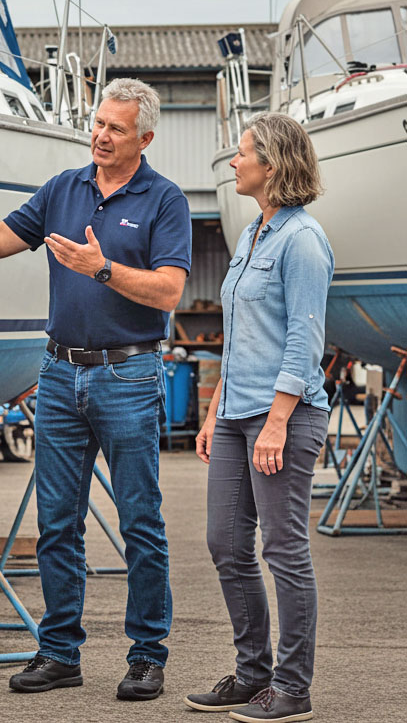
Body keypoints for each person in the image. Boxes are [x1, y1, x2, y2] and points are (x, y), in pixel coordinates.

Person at [0, 77, 190, 700]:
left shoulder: (165, 199)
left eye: (116, 129)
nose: (101, 136)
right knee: (57, 523)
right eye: (98, 123)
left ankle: (147, 656)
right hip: (60, 374)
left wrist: (101, 268)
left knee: (140, 522)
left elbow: (169, 290)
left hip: (128, 374)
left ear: (144, 138)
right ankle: (60, 652)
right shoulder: (64, 188)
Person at [186, 113, 332, 723]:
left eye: (241, 153)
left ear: (271, 165)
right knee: (225, 543)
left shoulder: (303, 240)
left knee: (284, 549)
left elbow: (304, 340)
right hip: (234, 412)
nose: (233, 162)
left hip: (284, 417)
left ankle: (292, 688)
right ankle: (252, 675)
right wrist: (213, 410)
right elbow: (241, 336)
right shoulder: (252, 234)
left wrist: (276, 422)